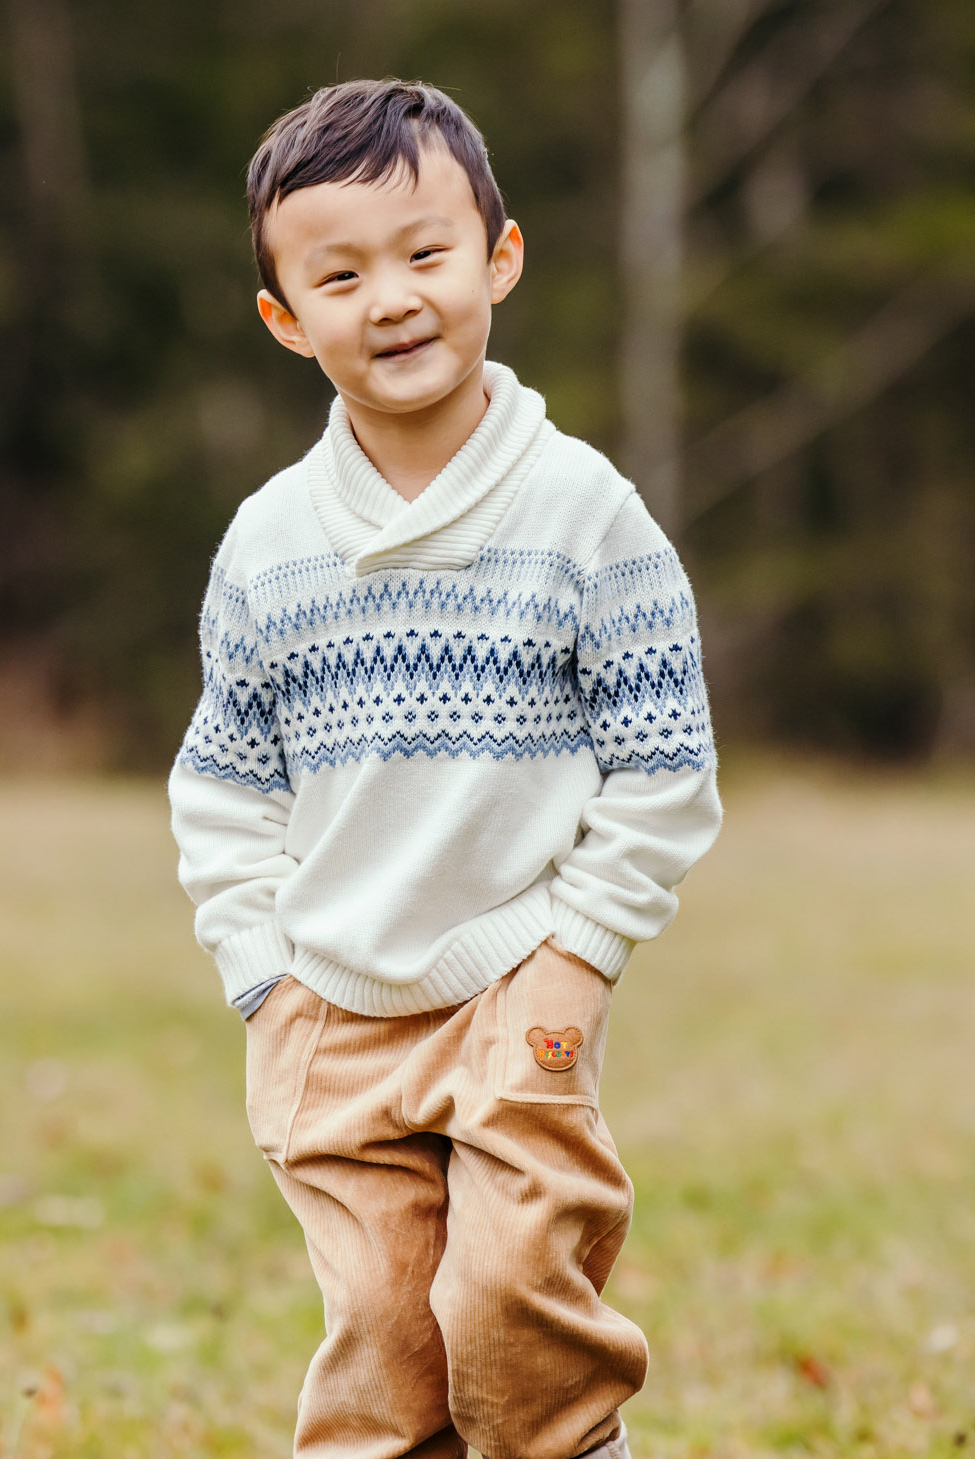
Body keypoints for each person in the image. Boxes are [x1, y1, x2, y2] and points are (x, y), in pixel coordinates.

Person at [167, 78, 724, 1459]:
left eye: (427, 254)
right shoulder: (269, 544)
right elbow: (225, 784)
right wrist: (263, 976)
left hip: (516, 981)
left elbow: (666, 768)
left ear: (501, 260)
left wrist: (577, 956)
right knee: (384, 1343)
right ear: (287, 321)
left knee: (508, 1307)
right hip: (330, 1007)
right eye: (341, 274)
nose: (394, 298)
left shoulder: (584, 513)